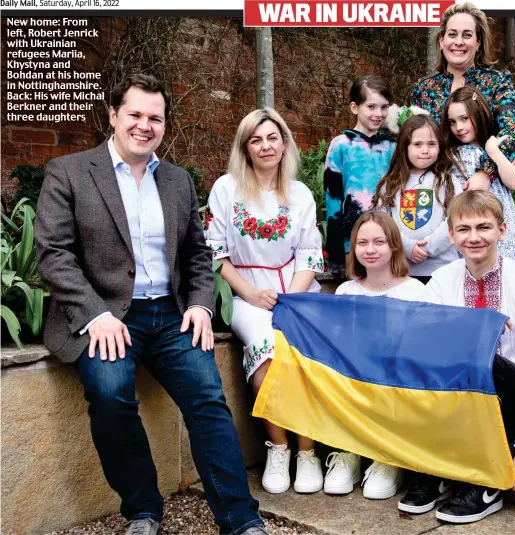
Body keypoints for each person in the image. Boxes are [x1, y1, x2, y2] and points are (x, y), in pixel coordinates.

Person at [34, 74, 267, 535]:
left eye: (155, 117)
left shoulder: (177, 181)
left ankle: (241, 521)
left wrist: (201, 305)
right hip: (106, 314)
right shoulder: (71, 171)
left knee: (207, 397)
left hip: (172, 315)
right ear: (114, 116)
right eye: (135, 114)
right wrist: (94, 313)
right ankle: (143, 509)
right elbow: (53, 253)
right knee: (110, 394)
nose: (145, 125)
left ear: (164, 124)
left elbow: (197, 255)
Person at [399, 190, 515, 524]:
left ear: (501, 230)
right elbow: (421, 336)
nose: (474, 237)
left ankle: (484, 483)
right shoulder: (443, 279)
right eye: (464, 229)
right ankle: (438, 469)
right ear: (452, 236)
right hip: (460, 395)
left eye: (483, 227)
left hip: (513, 394)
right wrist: (479, 325)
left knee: (487, 360)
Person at [204, 108, 325, 496]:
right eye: (256, 139)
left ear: (284, 143)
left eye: (272, 137)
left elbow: (309, 254)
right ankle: (278, 447)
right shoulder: (226, 189)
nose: (265, 145)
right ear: (246, 147)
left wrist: (290, 298)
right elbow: (216, 255)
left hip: (295, 290)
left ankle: (307, 451)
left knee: (303, 351)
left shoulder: (300, 193)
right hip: (244, 292)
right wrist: (252, 294)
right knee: (266, 348)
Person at [325, 211, 428, 499]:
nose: (369, 250)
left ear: (394, 245)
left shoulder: (415, 292)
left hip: (397, 383)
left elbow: (420, 347)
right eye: (362, 242)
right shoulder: (346, 291)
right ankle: (350, 453)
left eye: (379, 242)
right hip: (355, 380)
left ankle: (387, 457)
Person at [409, 2, 515, 193]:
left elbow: (512, 128)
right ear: (441, 41)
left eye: (467, 35)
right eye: (452, 34)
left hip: (484, 188)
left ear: (478, 43)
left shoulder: (496, 82)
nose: (459, 42)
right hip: (433, 188)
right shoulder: (423, 88)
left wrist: (484, 173)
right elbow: (409, 138)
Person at [371, 115, 461, 283]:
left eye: (431, 144)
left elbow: (457, 218)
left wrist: (430, 247)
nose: (425, 150)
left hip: (443, 269)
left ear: (440, 146)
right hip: (401, 269)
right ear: (405, 147)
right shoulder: (390, 183)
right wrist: (406, 247)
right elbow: (382, 221)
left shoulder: (448, 182)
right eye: (417, 144)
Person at [324, 75, 397, 275]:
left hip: (387, 236)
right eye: (371, 107)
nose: (378, 113)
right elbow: (332, 199)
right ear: (355, 107)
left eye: (384, 107)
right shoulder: (340, 144)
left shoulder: (392, 146)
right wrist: (337, 249)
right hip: (352, 238)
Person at [442, 86, 515, 261]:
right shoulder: (450, 154)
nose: (459, 127)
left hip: (497, 222)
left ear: (479, 114)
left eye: (464, 118)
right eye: (452, 122)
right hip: (467, 225)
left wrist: (494, 152)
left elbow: (514, 182)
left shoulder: (497, 148)